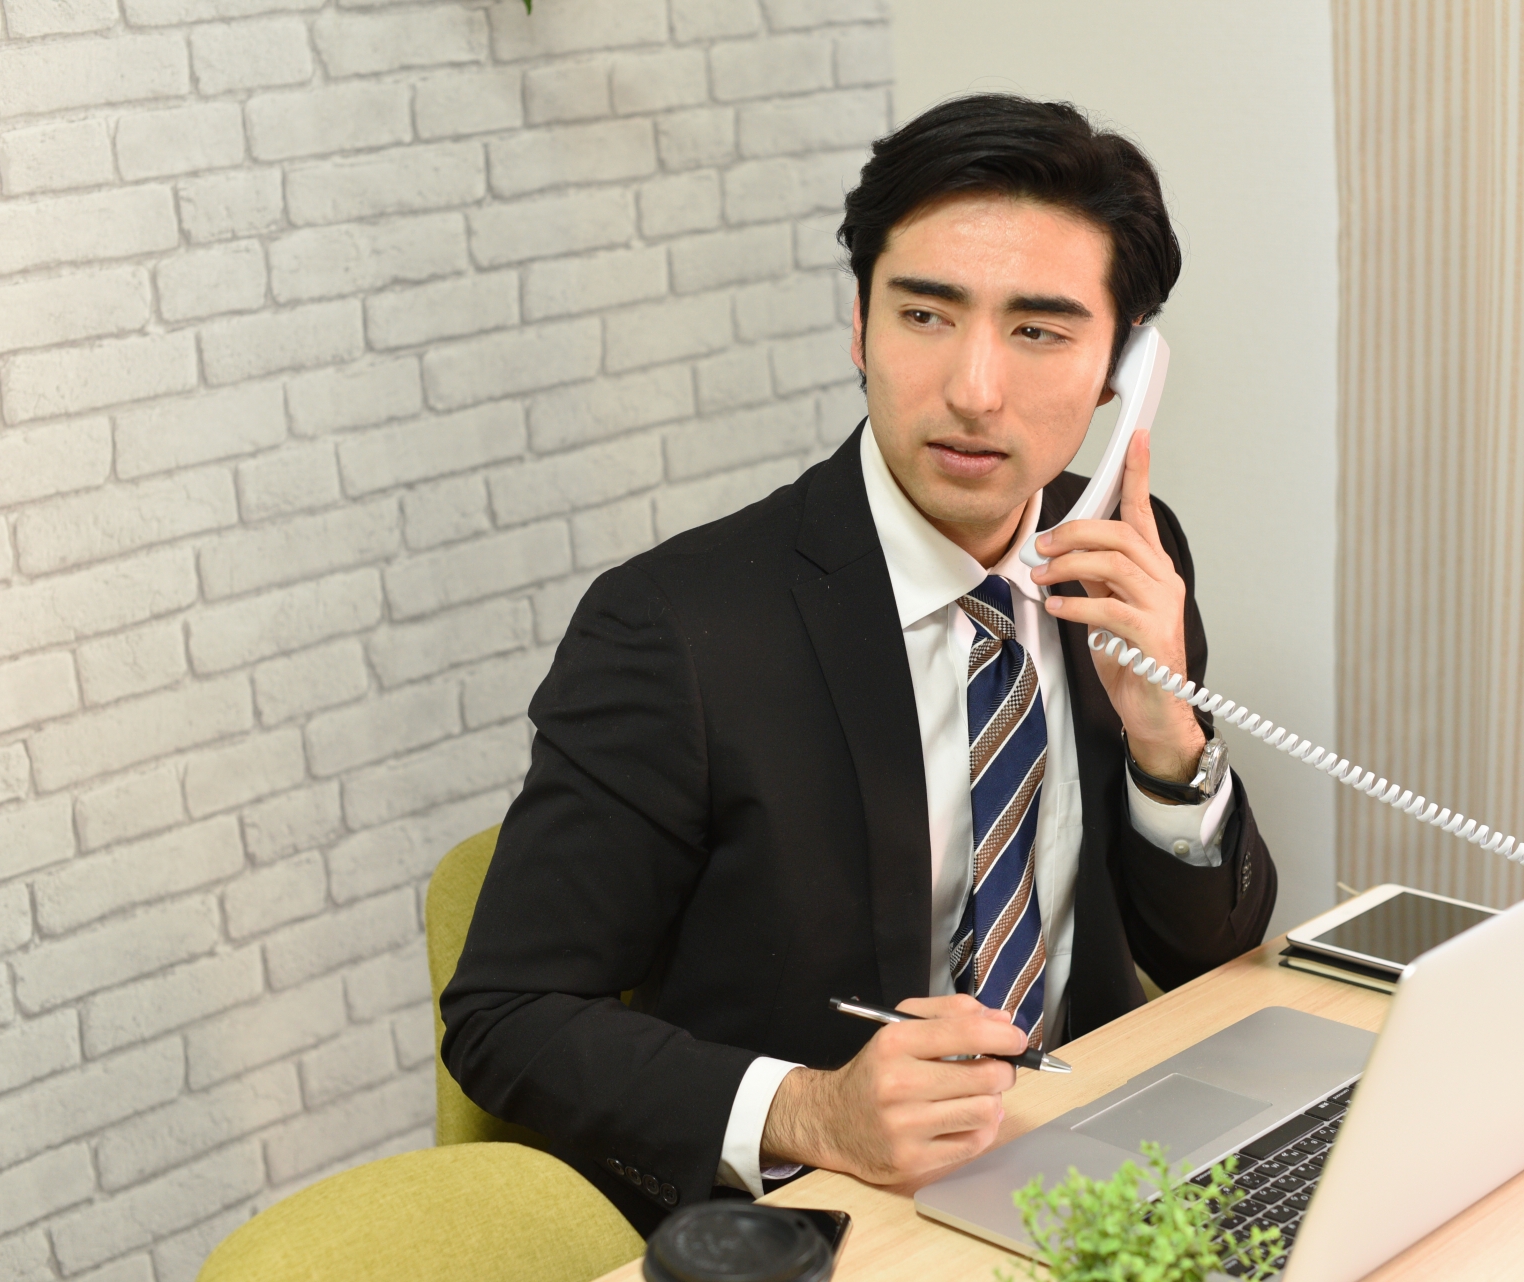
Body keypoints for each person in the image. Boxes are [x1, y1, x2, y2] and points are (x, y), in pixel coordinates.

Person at [440, 94, 1277, 1234]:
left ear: (1121, 369)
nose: (973, 389)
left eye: (1039, 332)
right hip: (830, 1214)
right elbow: (506, 1013)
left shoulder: (1126, 557)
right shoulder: (673, 629)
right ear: (861, 328)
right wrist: (812, 1110)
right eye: (925, 314)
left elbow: (1210, 950)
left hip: (1094, 1163)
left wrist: (1167, 736)